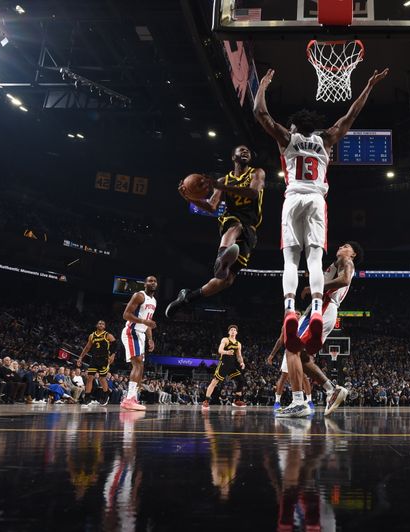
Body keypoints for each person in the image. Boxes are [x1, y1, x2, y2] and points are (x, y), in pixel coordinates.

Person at [253, 67, 388, 354]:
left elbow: (260, 114)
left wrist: (262, 87)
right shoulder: (326, 140)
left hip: (293, 198)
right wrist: (368, 86)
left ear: (293, 127)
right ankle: (316, 310)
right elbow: (350, 115)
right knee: (315, 261)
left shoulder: (287, 139)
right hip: (316, 200)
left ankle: (290, 310)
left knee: (291, 261)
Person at [166, 145, 266, 318]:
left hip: (251, 228)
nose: (245, 152)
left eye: (248, 151)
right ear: (233, 156)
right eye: (241, 150)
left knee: (226, 281)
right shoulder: (224, 180)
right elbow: (212, 207)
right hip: (231, 219)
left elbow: (253, 193)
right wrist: (189, 198)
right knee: (236, 225)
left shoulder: (257, 173)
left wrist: (221, 186)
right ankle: (221, 257)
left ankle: (187, 298)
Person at [276, 242, 360, 418]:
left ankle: (299, 402)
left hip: (324, 307)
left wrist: (317, 288)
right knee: (304, 357)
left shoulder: (346, 261)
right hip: (324, 309)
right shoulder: (336, 264)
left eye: (346, 246)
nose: (341, 247)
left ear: (352, 255)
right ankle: (331, 389)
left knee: (292, 347)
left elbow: (345, 280)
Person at [120, 276, 158, 411]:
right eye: (150, 281)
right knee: (137, 364)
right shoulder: (139, 296)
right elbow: (126, 315)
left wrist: (150, 339)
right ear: (145, 284)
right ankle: (129, 399)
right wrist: (143, 322)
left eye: (155, 281)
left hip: (141, 334)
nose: (153, 283)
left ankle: (133, 397)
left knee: (140, 367)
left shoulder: (154, 301)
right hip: (132, 331)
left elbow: (148, 322)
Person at [267, 311, 314, 412]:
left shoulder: (306, 325)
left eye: (298, 314)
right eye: (295, 313)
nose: (296, 315)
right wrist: (271, 355)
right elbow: (280, 340)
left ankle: (309, 401)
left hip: (302, 352)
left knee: (304, 377)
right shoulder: (286, 326)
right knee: (284, 376)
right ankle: (277, 401)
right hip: (290, 351)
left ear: (301, 316)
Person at [202, 325, 247, 410]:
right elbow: (220, 350)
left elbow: (239, 355)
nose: (233, 331)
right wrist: (227, 352)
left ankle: (237, 401)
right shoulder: (225, 340)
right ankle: (206, 401)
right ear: (229, 332)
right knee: (214, 382)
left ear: (236, 332)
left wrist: (242, 362)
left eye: (234, 330)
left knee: (241, 380)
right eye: (231, 330)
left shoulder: (238, 344)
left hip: (232, 366)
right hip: (223, 364)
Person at [78, 320, 116, 404]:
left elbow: (115, 345)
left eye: (102, 324)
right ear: (96, 325)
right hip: (94, 359)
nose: (101, 325)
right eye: (99, 323)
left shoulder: (107, 335)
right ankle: (87, 396)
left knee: (102, 378)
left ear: (104, 326)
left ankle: (106, 394)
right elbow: (87, 348)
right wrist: (80, 357)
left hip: (104, 359)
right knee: (89, 378)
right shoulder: (92, 336)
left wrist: (113, 355)